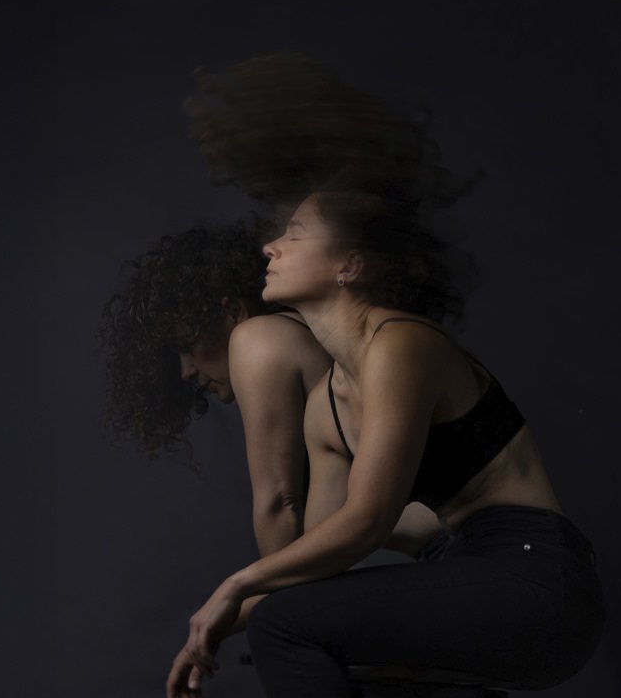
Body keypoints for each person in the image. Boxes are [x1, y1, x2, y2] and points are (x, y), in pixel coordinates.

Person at [163, 186, 606, 698]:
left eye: (292, 233)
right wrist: (212, 630)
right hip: (463, 571)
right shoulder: (328, 404)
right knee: (287, 620)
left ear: (350, 263)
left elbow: (366, 522)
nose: (269, 246)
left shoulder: (402, 344)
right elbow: (328, 556)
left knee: (284, 622)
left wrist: (233, 588)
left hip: (537, 585)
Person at [99, 218, 445, 556]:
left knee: (267, 613)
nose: (185, 371)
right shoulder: (310, 336)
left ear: (233, 310)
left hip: (459, 545)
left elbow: (279, 504)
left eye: (188, 345)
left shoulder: (257, 341)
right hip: (453, 546)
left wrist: (276, 603)